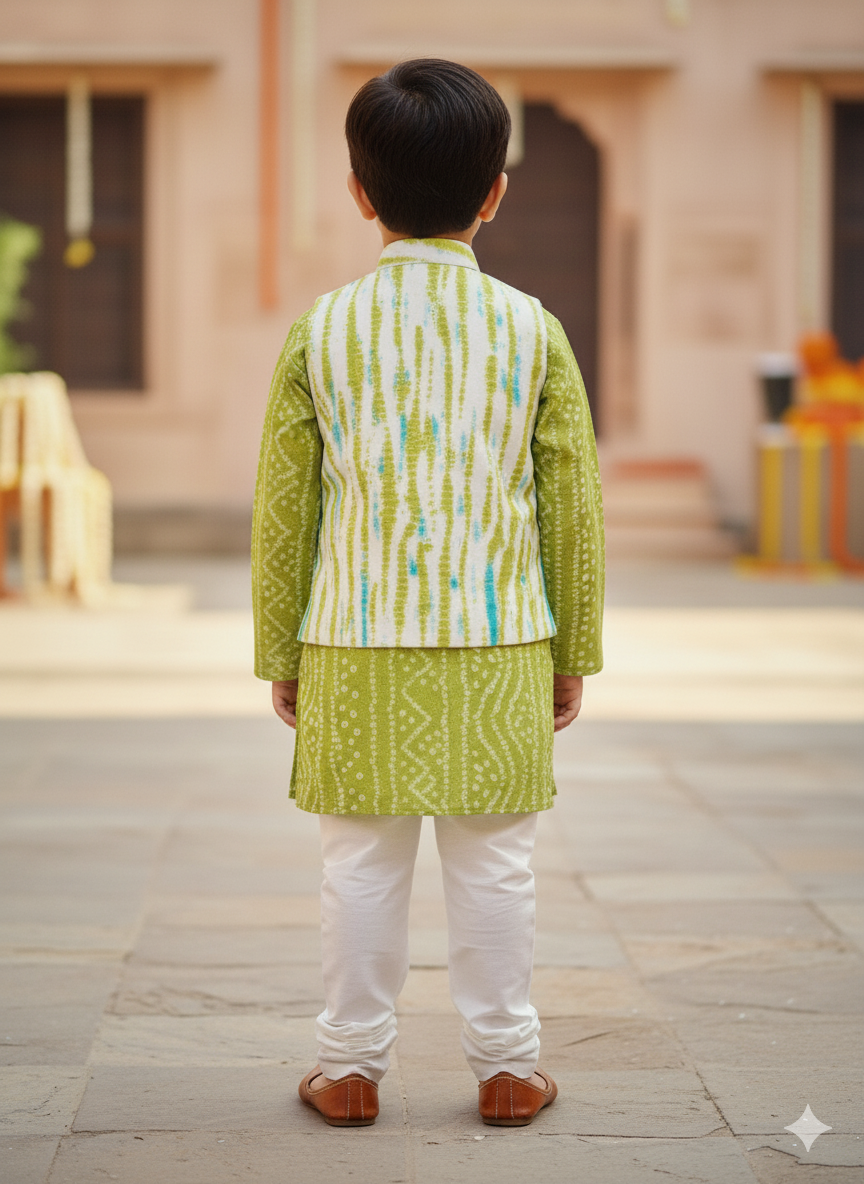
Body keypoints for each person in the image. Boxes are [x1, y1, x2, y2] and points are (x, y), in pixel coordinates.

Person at [252, 57, 604, 1129]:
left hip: (353, 635)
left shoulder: (322, 330)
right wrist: (572, 647)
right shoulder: (533, 328)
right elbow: (571, 505)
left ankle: (349, 1068)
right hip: (500, 637)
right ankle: (507, 1065)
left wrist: (283, 650)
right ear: (495, 191)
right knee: (496, 862)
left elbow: (284, 510)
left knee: (359, 861)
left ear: (359, 192)